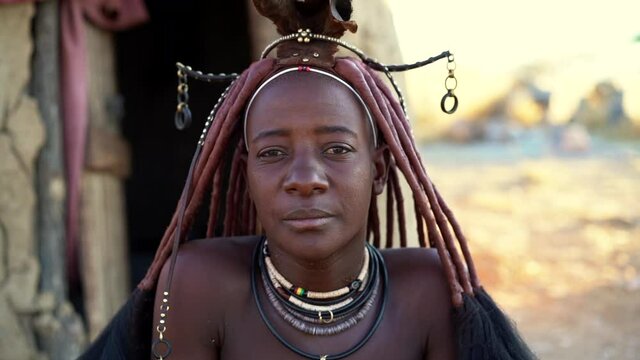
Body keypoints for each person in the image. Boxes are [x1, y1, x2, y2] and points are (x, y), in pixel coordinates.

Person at [80, 1, 536, 359]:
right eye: (272, 153)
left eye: (336, 149)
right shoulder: (195, 284)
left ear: (378, 170)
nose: (304, 179)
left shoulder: (430, 292)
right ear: (246, 173)